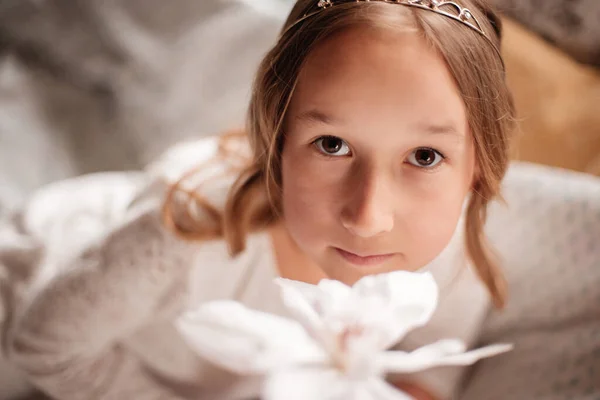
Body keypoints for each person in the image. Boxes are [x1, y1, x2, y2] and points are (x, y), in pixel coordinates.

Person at [2, 0, 515, 399]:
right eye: (332, 145)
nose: (368, 217)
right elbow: (45, 346)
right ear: (277, 138)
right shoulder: (186, 230)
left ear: (477, 166)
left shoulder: (452, 243)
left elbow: (437, 355)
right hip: (37, 290)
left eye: (424, 156)